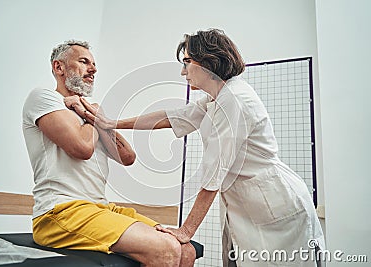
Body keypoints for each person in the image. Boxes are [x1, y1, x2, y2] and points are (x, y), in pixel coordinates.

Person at [80, 29, 326, 266]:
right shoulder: (216, 98)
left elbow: (213, 174)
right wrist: (111, 123)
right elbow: (171, 117)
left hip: (276, 209)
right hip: (246, 207)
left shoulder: (235, 101)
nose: (182, 71)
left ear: (209, 62)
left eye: (187, 62)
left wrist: (186, 230)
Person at [22, 40, 196, 267]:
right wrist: (90, 114)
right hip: (60, 212)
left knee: (186, 249)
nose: (93, 69)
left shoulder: (86, 112)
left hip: (98, 208)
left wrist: (92, 113)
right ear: (59, 68)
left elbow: (127, 157)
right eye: (84, 62)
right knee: (166, 249)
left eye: (94, 64)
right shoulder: (44, 98)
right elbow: (82, 149)